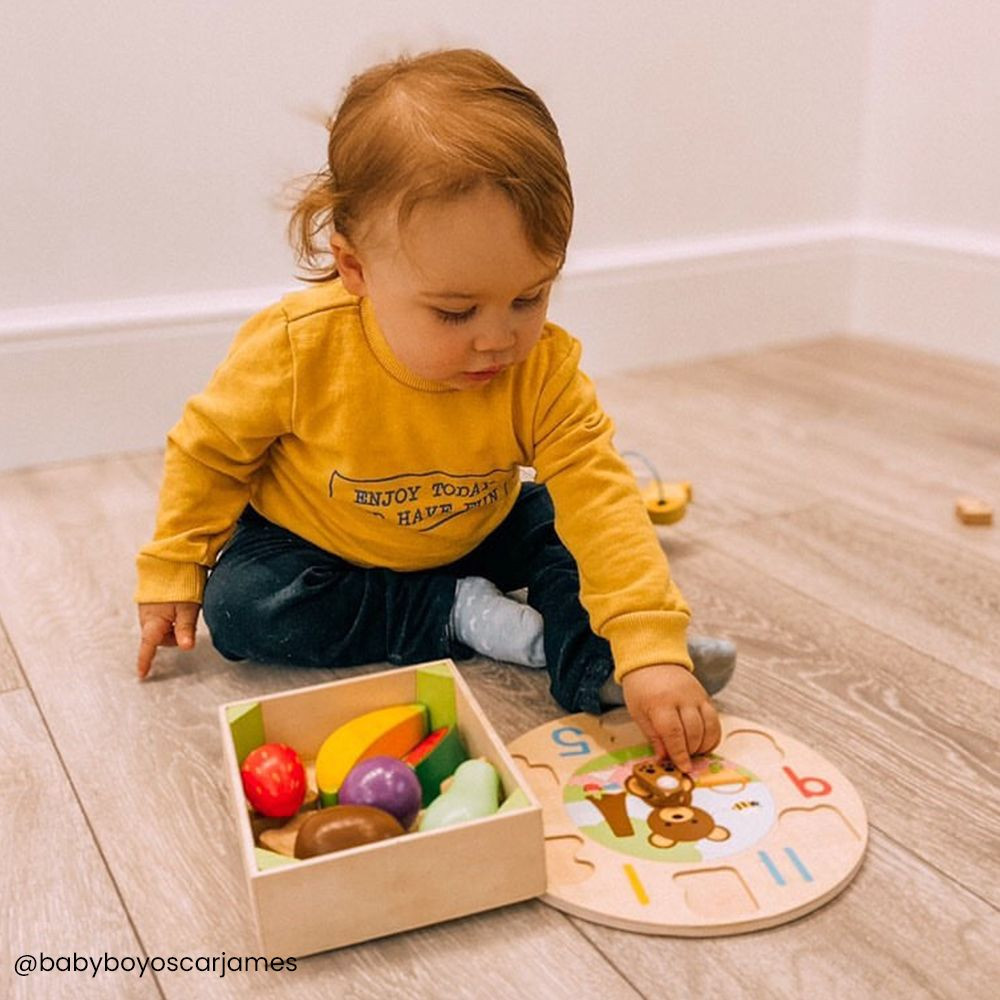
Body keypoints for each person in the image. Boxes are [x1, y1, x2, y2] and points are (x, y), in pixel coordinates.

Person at [134, 48, 735, 772]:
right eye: (455, 312)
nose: (498, 338)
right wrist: (175, 566)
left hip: (478, 524)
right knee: (242, 606)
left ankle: (596, 660)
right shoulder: (296, 347)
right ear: (355, 269)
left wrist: (651, 649)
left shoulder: (540, 367)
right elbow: (209, 452)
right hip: (319, 543)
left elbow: (598, 499)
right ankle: (452, 613)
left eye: (529, 297)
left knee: (569, 525)